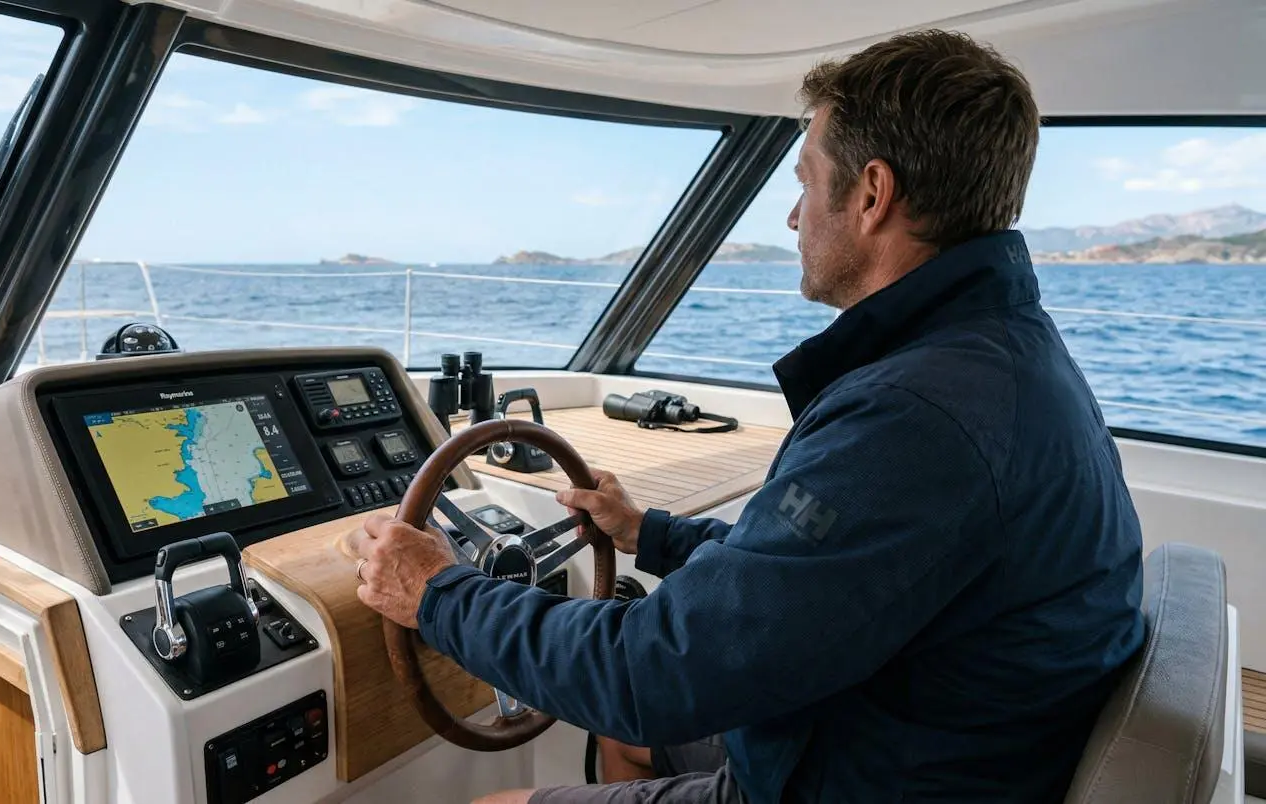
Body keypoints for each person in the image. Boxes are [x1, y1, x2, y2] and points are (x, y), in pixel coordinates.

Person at [347, 29, 1145, 804]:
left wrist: (438, 592)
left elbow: (652, 677)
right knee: (625, 743)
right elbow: (815, 575)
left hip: (862, 770)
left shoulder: (913, 417)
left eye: (804, 181)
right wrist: (649, 535)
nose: (795, 218)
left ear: (871, 195)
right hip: (904, 733)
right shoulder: (1000, 354)